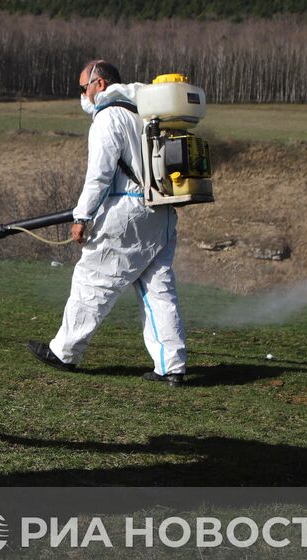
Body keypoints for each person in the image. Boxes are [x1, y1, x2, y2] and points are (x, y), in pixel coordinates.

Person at [27, 60, 187, 385]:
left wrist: (82, 216)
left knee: (92, 281)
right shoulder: (143, 113)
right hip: (162, 212)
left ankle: (64, 353)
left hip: (127, 212)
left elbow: (99, 175)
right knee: (159, 292)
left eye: (83, 87)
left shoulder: (108, 116)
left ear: (99, 84)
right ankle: (171, 368)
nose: (83, 95)